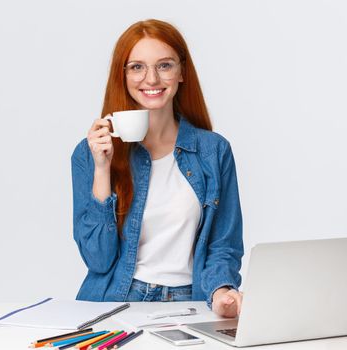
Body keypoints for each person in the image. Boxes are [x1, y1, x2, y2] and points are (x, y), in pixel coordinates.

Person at [71, 19, 244, 318]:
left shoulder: (214, 151)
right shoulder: (90, 154)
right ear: (122, 75)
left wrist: (221, 291)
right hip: (119, 300)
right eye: (137, 67)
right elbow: (97, 260)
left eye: (164, 65)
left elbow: (224, 245)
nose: (151, 78)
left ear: (181, 73)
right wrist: (102, 169)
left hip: (190, 301)